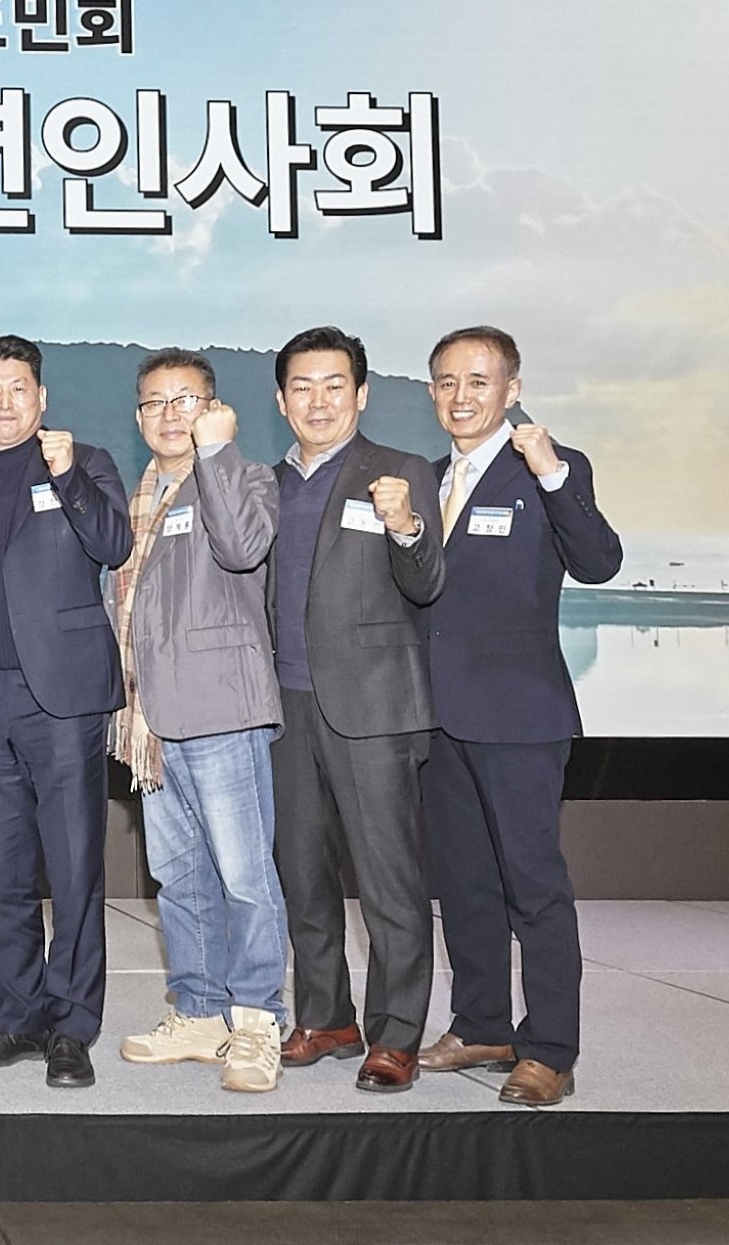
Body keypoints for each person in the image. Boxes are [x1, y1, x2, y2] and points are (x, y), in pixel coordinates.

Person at [417, 326, 620, 1107]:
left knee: (534, 886)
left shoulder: (549, 468)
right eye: (446, 382)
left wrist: (555, 474)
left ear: (512, 389)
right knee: (463, 884)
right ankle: (481, 1025)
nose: (460, 396)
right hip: (438, 717)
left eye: (478, 380)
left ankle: (550, 1050)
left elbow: (599, 562)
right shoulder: (427, 478)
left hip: (520, 715)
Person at [0, 335, 133, 1090]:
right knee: (1, 870)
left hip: (63, 697)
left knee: (74, 868)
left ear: (41, 399)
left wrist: (67, 475)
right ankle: (19, 1018)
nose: (5, 401)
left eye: (19, 388)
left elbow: (113, 544)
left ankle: (73, 1027)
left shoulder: (86, 462)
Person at [265, 325, 446, 1093]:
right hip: (283, 706)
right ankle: (326, 1016)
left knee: (388, 881)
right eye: (302, 387)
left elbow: (428, 581)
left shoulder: (399, 472)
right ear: (281, 401)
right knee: (302, 876)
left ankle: (396, 1035)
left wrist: (406, 526)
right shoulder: (267, 483)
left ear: (361, 394)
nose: (319, 401)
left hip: (372, 708)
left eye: (334, 385)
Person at [105, 350, 290, 1093]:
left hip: (221, 709)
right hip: (149, 719)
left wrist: (216, 452)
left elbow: (242, 548)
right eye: (154, 402)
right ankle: (200, 1011)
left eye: (186, 400)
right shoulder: (136, 497)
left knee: (245, 877)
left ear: (213, 409)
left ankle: (258, 1021)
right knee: (178, 878)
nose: (169, 415)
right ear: (138, 417)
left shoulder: (246, 477)